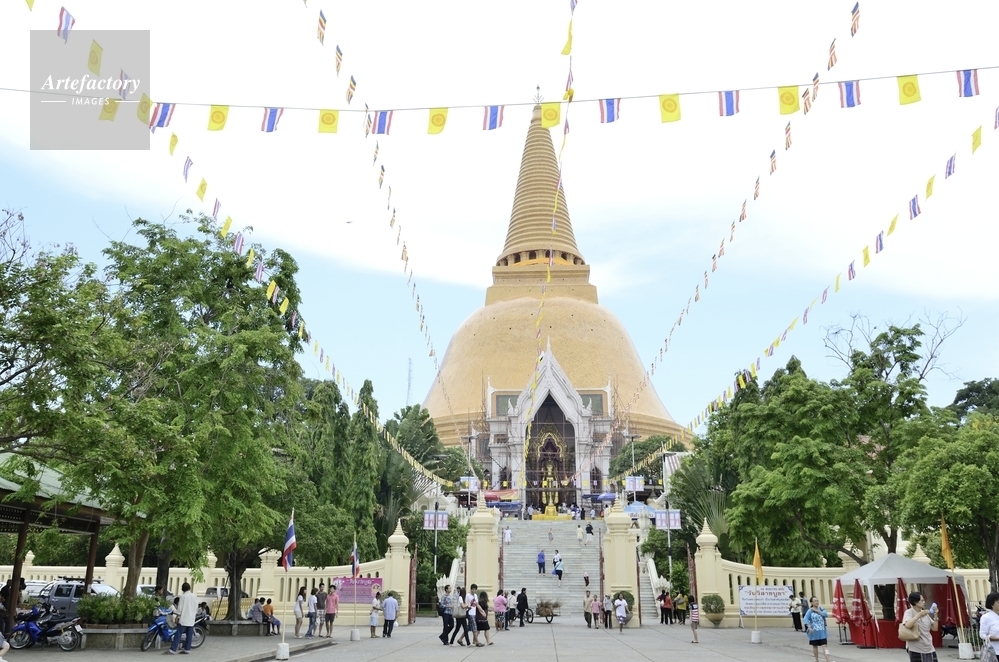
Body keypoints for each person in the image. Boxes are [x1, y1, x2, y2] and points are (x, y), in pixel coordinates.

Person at [902, 591, 939, 662]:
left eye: (924, 600)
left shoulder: (925, 613)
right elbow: (907, 625)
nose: (924, 602)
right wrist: (919, 615)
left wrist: (935, 615)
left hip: (929, 647)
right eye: (922, 600)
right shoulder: (909, 612)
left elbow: (935, 628)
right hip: (916, 648)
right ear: (915, 602)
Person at [169, 581, 198, 655]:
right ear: (190, 588)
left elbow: (180, 609)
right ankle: (187, 649)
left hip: (184, 618)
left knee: (178, 634)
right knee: (189, 635)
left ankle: (173, 649)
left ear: (182, 589)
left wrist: (177, 617)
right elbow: (196, 608)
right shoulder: (194, 596)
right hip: (191, 618)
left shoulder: (183, 597)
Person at [803, 596, 832, 662]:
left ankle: (828, 660)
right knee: (815, 646)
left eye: (817, 600)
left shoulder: (821, 609)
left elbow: (825, 614)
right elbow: (805, 619)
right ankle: (817, 660)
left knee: (825, 646)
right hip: (814, 631)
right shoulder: (810, 611)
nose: (816, 602)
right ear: (811, 603)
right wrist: (809, 627)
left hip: (822, 631)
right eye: (815, 601)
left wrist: (817, 611)